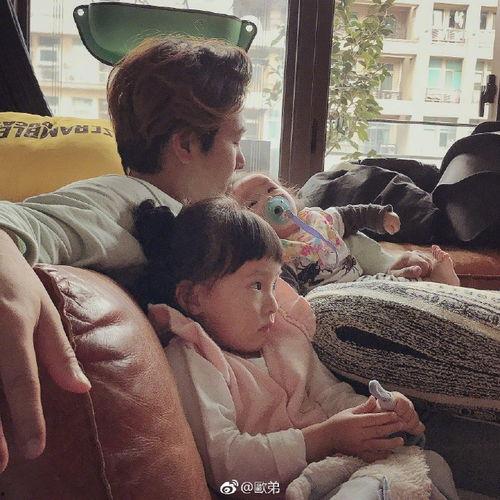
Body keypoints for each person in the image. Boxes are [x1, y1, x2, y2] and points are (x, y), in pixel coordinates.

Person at [0, 35, 433, 472]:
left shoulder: (207, 221)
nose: (241, 162)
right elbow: (18, 221)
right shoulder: (125, 197)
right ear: (187, 144)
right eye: (235, 141)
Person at [135, 196, 458, 498]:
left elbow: (330, 395)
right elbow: (226, 465)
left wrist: (375, 415)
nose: (273, 304)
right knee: (373, 487)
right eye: (256, 285)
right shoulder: (194, 358)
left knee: (434, 465)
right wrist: (325, 437)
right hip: (265, 489)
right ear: (193, 297)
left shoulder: (284, 336)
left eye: (274, 284)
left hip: (337, 468)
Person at [231, 173, 460, 295]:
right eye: (252, 203)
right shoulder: (274, 251)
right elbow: (285, 291)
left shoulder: (318, 219)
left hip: (360, 280)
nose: (270, 198)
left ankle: (437, 283)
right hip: (326, 299)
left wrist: (381, 216)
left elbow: (352, 215)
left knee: (389, 285)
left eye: (271, 188)